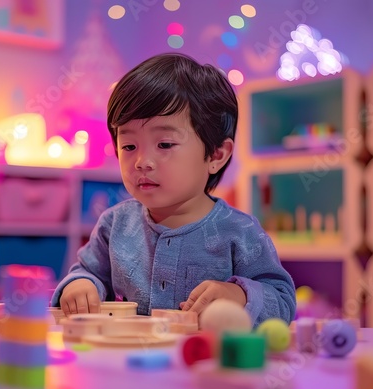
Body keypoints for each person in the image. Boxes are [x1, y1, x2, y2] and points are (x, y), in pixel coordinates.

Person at [51, 53, 296, 327]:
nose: (142, 162)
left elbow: (283, 301)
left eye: (165, 144)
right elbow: (88, 272)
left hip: (205, 365)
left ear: (216, 155)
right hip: (128, 363)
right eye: (129, 146)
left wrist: (239, 294)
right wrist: (81, 285)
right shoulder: (114, 224)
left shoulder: (240, 232)